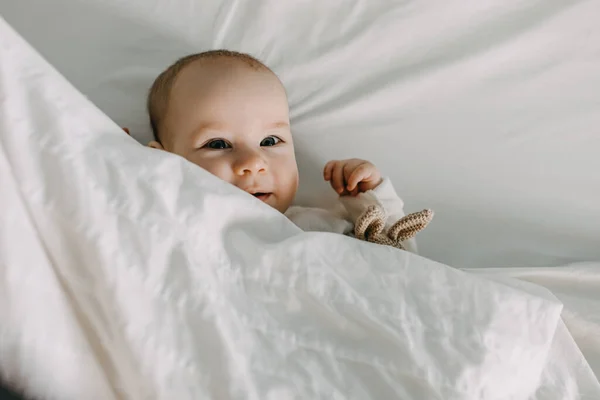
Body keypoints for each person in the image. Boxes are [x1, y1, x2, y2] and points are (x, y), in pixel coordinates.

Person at [143, 50, 420, 252]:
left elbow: (404, 265)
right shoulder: (172, 228)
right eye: (218, 144)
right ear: (164, 160)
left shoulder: (319, 226)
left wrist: (366, 198)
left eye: (270, 141)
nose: (254, 162)